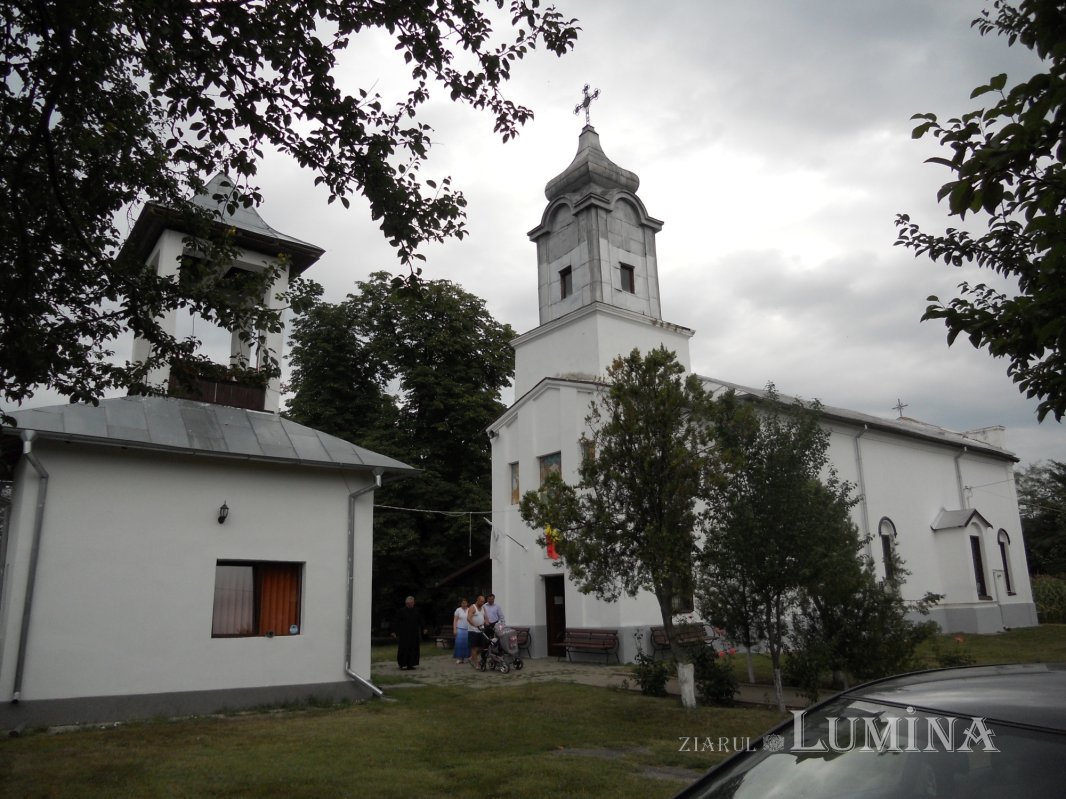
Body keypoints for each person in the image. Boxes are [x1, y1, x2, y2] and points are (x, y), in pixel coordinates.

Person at [392, 595, 425, 670]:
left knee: (413, 649)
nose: (411, 604)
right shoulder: (401, 611)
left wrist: (424, 628)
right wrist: (394, 631)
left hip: (414, 634)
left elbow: (421, 620)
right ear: (407, 603)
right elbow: (396, 621)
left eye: (412, 603)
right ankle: (402, 664)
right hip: (404, 634)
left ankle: (411, 664)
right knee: (403, 649)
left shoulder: (416, 611)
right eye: (410, 603)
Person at [466, 595, 486, 668]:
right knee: (474, 647)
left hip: (481, 630)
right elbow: (468, 618)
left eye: (483, 602)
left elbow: (485, 617)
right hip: (473, 630)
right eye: (481, 601)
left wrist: (487, 622)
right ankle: (476, 664)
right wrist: (474, 625)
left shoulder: (483, 608)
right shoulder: (472, 607)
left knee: (483, 647)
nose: (482, 603)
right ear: (477, 600)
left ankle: (471, 658)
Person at [452, 598, 470, 664]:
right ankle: (460, 658)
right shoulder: (458, 610)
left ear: (467, 603)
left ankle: (467, 658)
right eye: (462, 603)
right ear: (461, 603)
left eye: (465, 603)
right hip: (459, 629)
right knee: (459, 644)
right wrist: (454, 629)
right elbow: (455, 620)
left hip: (468, 629)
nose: (464, 604)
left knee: (467, 644)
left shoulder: (469, 609)